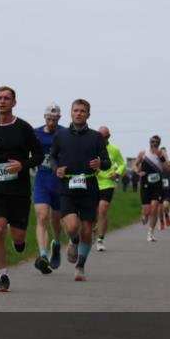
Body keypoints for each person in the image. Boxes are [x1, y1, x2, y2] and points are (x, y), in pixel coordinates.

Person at [0, 86, 44, 292]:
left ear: (14, 103)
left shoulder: (24, 128)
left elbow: (38, 156)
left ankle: (19, 243)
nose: (2, 101)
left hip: (19, 191)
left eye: (7, 98)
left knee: (18, 237)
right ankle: (2, 275)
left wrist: (22, 165)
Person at [50, 100, 111, 281]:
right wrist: (56, 169)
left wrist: (101, 163)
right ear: (71, 113)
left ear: (88, 115)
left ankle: (80, 265)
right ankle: (73, 241)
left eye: (82, 111)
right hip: (67, 187)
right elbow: (52, 156)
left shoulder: (96, 137)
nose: (79, 113)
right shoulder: (61, 135)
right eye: (76, 110)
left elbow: (106, 162)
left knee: (86, 230)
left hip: (89, 188)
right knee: (72, 226)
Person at [31, 103, 66, 273]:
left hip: (59, 181)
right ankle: (43, 255)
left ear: (59, 119)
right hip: (42, 180)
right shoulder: (35, 133)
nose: (51, 122)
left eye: (54, 119)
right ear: (44, 118)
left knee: (56, 220)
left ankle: (57, 244)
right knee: (42, 216)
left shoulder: (64, 133)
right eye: (49, 119)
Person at [94, 126, 126, 251]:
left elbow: (122, 163)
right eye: (101, 137)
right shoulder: (92, 147)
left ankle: (100, 239)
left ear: (109, 136)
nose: (103, 139)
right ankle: (93, 228)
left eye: (105, 137)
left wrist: (117, 173)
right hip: (93, 182)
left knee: (102, 210)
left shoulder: (114, 149)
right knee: (93, 212)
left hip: (107, 182)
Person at [134, 135, 170, 242]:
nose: (155, 145)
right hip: (146, 184)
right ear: (150, 143)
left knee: (155, 207)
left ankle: (150, 233)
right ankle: (144, 216)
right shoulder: (143, 153)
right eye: (153, 143)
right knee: (146, 211)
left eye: (157, 144)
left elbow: (168, 168)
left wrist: (162, 157)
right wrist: (138, 172)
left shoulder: (162, 153)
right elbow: (135, 165)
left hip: (157, 184)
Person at [159, 147, 170, 229]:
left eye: (164, 153)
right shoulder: (156, 164)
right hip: (158, 189)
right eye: (161, 153)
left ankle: (166, 215)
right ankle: (161, 222)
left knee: (165, 205)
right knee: (159, 207)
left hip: (167, 189)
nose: (163, 155)